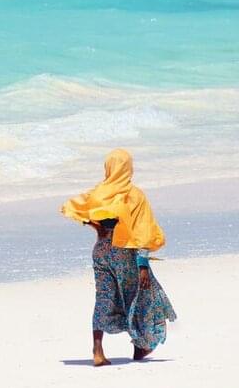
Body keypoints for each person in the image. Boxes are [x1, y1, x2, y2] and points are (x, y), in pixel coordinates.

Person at [61, 149, 177, 366]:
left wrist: (97, 227)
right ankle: (140, 346)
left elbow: (74, 208)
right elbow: (142, 231)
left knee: (104, 298)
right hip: (125, 252)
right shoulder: (134, 195)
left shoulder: (99, 193)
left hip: (101, 251)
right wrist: (143, 264)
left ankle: (97, 349)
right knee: (139, 297)